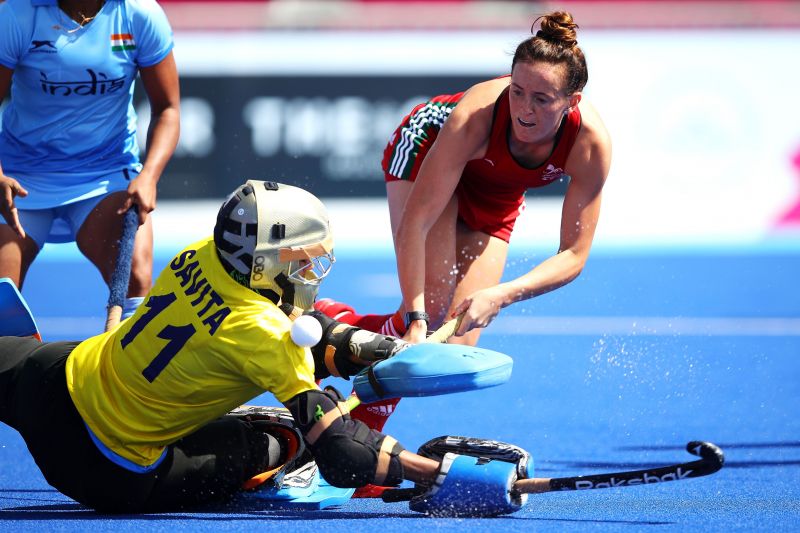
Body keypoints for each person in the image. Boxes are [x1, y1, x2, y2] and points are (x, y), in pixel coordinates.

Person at [0, 181, 450, 512]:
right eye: (302, 257)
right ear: (265, 261)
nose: (311, 267)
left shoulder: (199, 254)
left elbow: (289, 325)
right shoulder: (267, 338)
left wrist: (376, 347)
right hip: (102, 471)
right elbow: (343, 456)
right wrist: (436, 473)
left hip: (48, 379)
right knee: (284, 435)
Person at [315, 11, 611, 431]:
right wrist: (416, 318)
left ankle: (334, 326)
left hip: (495, 191)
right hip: (426, 153)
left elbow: (574, 255)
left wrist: (503, 294)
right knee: (430, 313)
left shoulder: (590, 146)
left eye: (542, 100)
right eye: (518, 92)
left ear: (572, 102)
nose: (525, 110)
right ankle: (361, 436)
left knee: (456, 342)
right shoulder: (475, 117)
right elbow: (416, 222)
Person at [0, 0, 180, 320]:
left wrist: (148, 177)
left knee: (136, 280)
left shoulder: (139, 14)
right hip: (20, 180)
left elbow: (168, 109)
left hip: (105, 174)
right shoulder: (16, 14)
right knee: (1, 293)